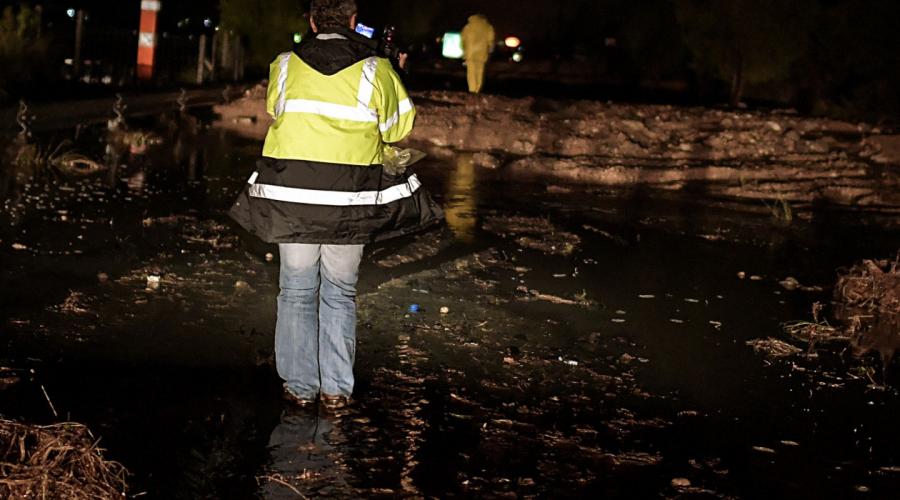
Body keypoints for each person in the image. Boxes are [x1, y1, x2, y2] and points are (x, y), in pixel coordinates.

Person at [229, 0, 443, 410]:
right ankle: (335, 393)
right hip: (350, 200)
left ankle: (299, 389)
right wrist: (395, 72)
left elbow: (276, 109)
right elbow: (399, 128)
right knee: (340, 293)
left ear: (311, 22)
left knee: (296, 291)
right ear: (353, 22)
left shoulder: (285, 64)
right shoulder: (376, 68)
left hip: (292, 200)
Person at [461, 14, 495, 93]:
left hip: (470, 53)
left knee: (471, 72)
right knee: (480, 71)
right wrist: (490, 49)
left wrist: (464, 50)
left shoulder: (468, 27)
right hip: (482, 53)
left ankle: (472, 89)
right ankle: (477, 88)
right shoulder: (488, 27)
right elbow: (491, 40)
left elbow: (463, 39)